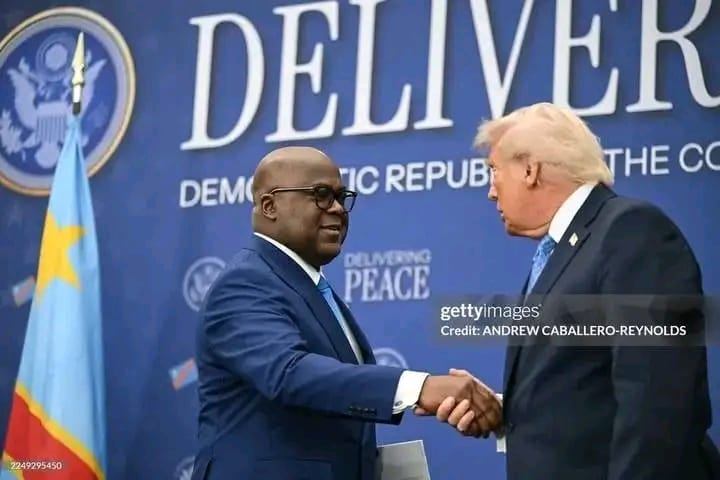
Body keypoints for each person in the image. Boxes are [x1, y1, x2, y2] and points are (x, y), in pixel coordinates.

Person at [435, 102, 720, 479]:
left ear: (530, 170)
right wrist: (505, 410)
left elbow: (658, 399)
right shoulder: (564, 251)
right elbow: (587, 387)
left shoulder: (631, 232)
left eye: (493, 171)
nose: (491, 192)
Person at [191, 146, 502, 480]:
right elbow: (288, 372)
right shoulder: (245, 281)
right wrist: (419, 388)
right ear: (270, 206)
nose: (338, 208)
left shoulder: (309, 287)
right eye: (321, 195)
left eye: (341, 197)